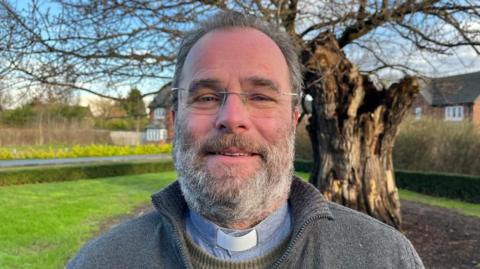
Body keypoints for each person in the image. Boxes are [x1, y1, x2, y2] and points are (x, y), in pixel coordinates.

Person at [67, 11, 424, 269]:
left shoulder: (385, 258)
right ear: (174, 121)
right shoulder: (101, 262)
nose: (232, 119)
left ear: (294, 119)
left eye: (261, 97)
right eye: (206, 97)